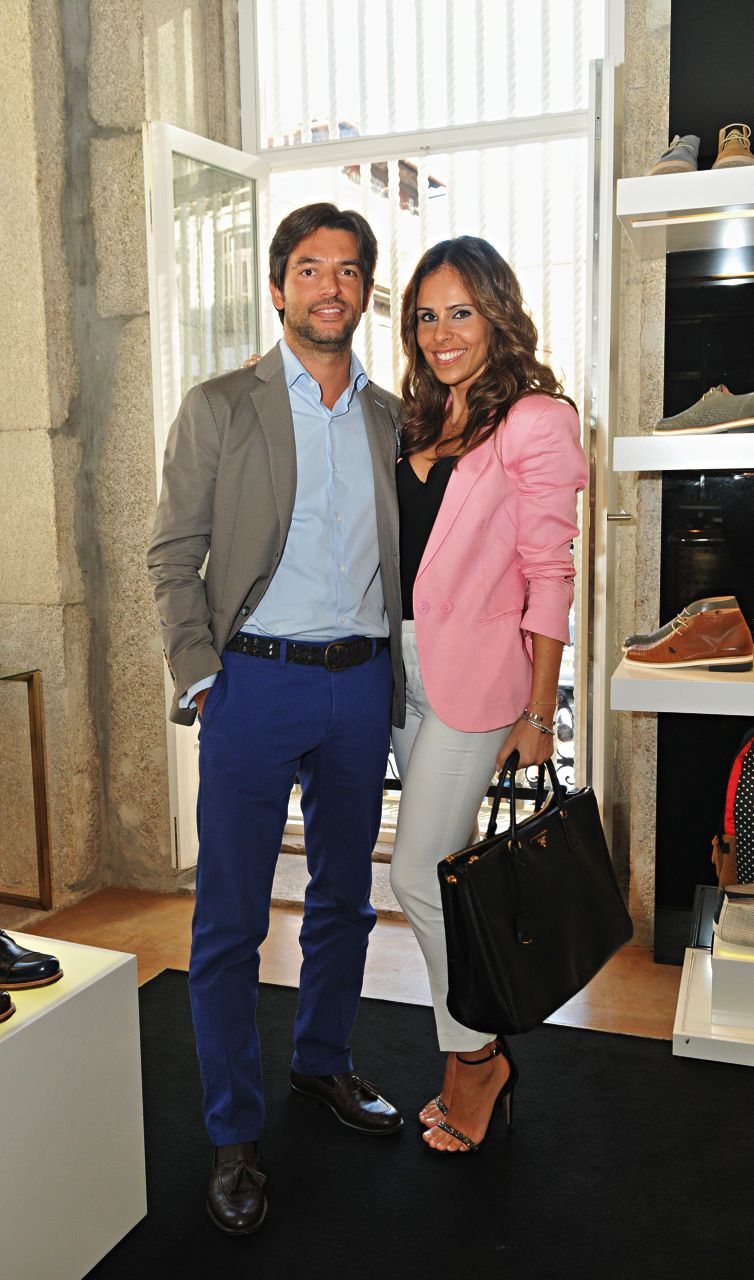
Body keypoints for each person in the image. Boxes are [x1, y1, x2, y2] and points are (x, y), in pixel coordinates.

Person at [147, 203, 406, 1236]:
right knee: (230, 922)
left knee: (346, 897)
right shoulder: (220, 406)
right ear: (277, 287)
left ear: (365, 290)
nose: (328, 286)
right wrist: (201, 675)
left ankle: (322, 1061)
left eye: (346, 270)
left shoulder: (391, 418)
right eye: (308, 268)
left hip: (359, 685)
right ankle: (233, 1131)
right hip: (252, 685)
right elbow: (173, 553)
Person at [389, 235, 588, 1153]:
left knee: (416, 873)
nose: (441, 334)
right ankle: (465, 1053)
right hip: (402, 673)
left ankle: (477, 1058)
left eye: (460, 313)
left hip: (477, 682)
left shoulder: (536, 420)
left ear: (497, 313)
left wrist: (539, 713)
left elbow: (551, 574)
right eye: (426, 316)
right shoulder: (419, 417)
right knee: (450, 874)